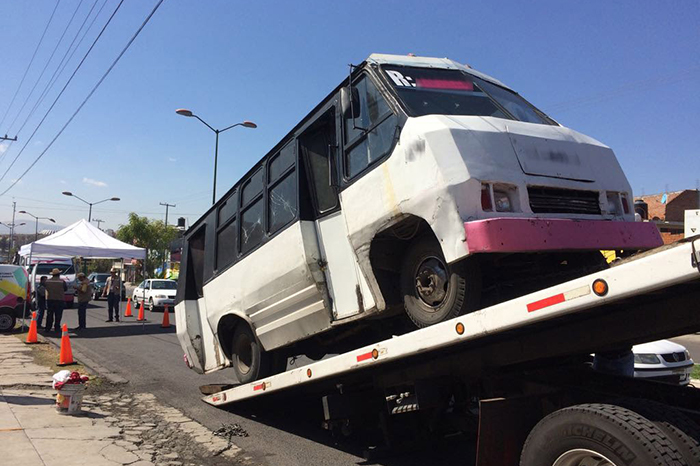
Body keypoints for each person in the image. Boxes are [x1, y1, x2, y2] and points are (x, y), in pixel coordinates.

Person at [45, 268, 67, 333]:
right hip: (59, 299)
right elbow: (65, 289)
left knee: (49, 314)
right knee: (58, 315)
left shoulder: (47, 281)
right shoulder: (62, 282)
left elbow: (45, 288)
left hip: (50, 299)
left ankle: (48, 327)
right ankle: (57, 327)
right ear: (59, 274)